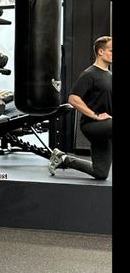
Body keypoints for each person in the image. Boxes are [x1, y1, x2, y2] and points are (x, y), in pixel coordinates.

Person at [49, 36, 112, 179]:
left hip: (107, 127)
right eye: (111, 50)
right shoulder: (90, 74)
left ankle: (62, 158)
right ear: (101, 52)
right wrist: (95, 115)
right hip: (93, 125)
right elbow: (73, 99)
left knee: (100, 173)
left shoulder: (109, 75)